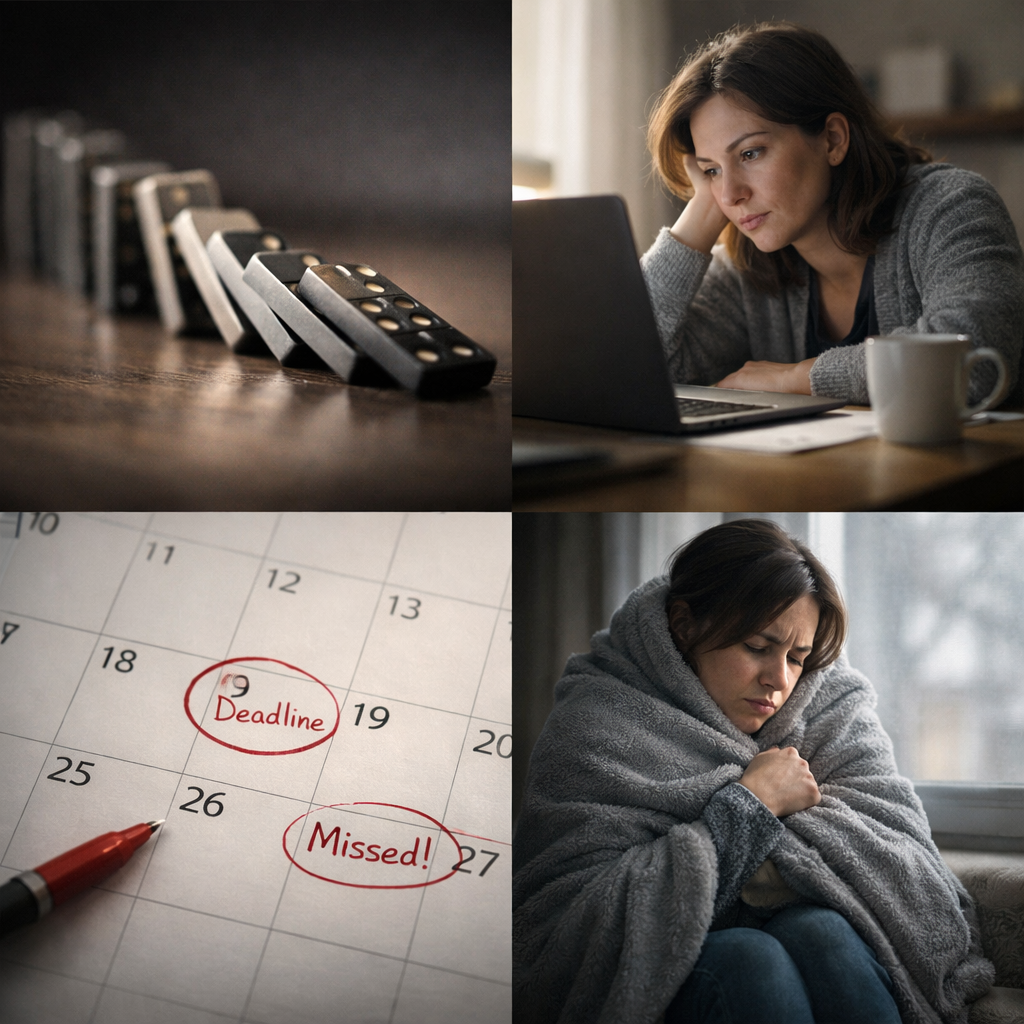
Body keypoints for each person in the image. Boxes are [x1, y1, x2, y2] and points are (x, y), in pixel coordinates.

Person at [513, 519, 993, 1024]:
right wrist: (752, 805)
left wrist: (737, 859)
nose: (779, 679)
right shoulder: (600, 718)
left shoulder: (831, 703)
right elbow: (568, 928)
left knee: (823, 931)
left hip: (803, 936)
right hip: (660, 983)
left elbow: (901, 857)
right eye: (757, 647)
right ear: (684, 624)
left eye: (797, 657)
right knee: (748, 958)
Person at [641, 21, 1023, 406]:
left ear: (833, 139)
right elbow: (635, 370)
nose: (731, 194)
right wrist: (699, 216)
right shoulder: (746, 268)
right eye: (711, 170)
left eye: (750, 153)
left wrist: (796, 377)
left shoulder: (951, 207)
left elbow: (975, 365)